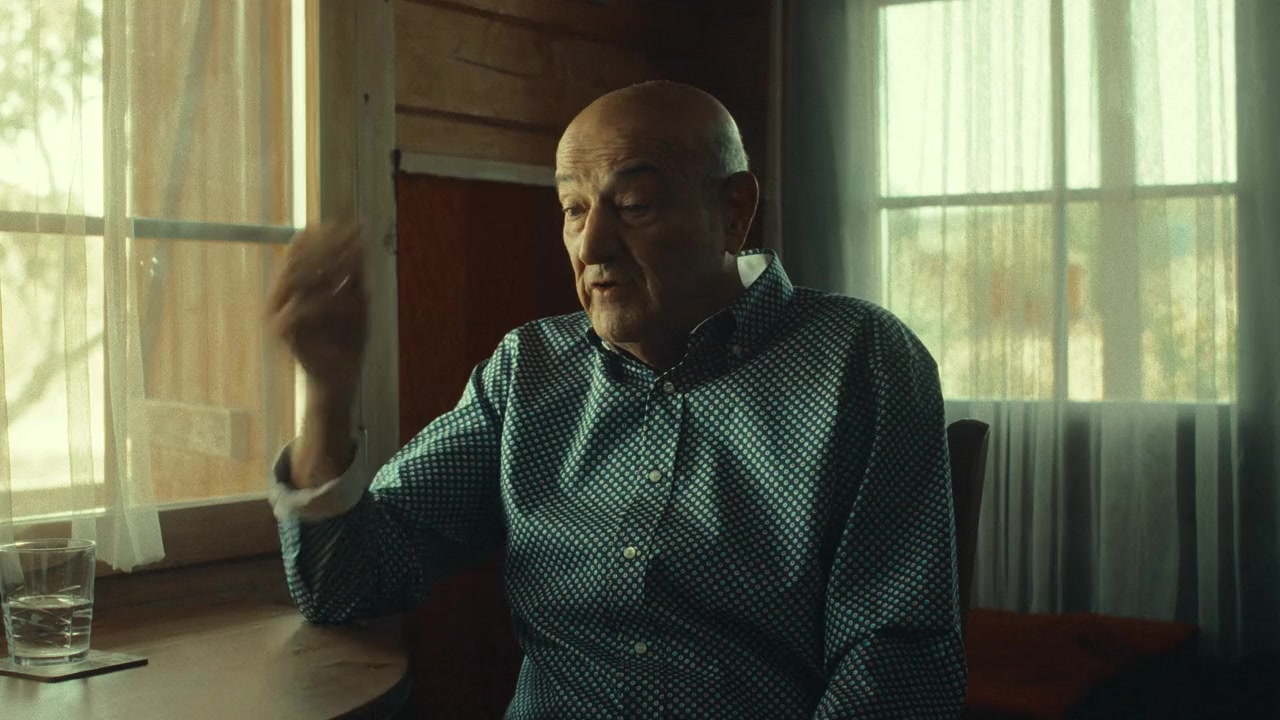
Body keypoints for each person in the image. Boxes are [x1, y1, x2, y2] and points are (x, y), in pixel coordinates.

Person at [266, 81, 965, 719]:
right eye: (573, 209)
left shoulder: (859, 361)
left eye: (633, 206)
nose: (592, 243)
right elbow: (344, 582)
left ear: (733, 212)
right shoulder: (528, 371)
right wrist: (326, 388)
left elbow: (896, 658)